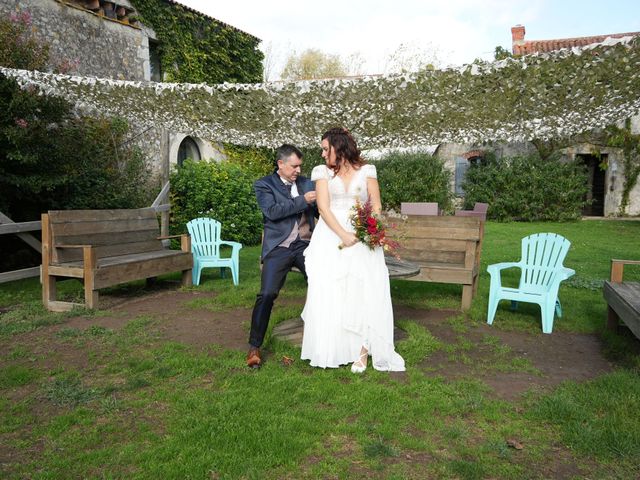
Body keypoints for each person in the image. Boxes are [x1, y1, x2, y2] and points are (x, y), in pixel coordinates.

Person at [301, 127, 405, 373]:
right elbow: (324, 208)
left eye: (326, 148)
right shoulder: (322, 172)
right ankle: (333, 347)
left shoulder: (367, 171)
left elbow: (376, 204)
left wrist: (369, 229)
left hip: (362, 235)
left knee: (363, 290)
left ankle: (363, 351)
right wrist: (343, 235)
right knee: (332, 291)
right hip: (331, 236)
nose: (323, 152)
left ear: (339, 146)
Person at [247, 144, 317, 368]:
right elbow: (272, 212)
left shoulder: (307, 183)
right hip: (279, 246)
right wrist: (303, 200)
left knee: (321, 283)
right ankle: (254, 347)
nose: (298, 170)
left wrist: (318, 204)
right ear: (281, 164)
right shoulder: (264, 185)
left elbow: (320, 210)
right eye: (294, 166)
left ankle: (321, 338)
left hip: (305, 245)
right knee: (267, 294)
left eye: (300, 166)